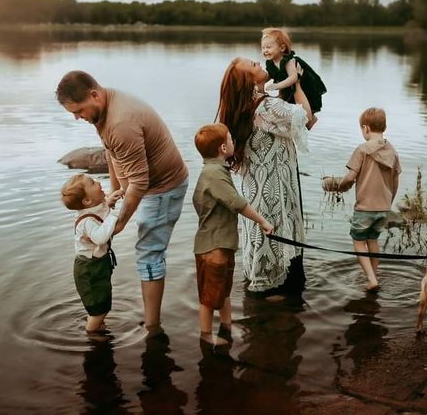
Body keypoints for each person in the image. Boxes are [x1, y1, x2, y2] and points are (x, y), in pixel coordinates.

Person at [56, 70, 189, 335]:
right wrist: (112, 197)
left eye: (78, 110)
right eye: (73, 113)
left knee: (149, 253)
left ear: (94, 95)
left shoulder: (120, 122)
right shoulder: (103, 109)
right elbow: (111, 152)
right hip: (148, 184)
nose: (76, 117)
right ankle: (151, 322)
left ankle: (152, 326)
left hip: (163, 187)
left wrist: (118, 222)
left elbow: (139, 183)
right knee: (146, 250)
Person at [216, 57, 312, 296]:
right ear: (248, 81)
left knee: (261, 241)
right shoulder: (266, 107)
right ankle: (274, 302)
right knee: (279, 241)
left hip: (255, 193)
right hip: (275, 193)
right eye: (254, 66)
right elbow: (306, 117)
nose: (260, 63)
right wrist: (298, 85)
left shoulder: (242, 109)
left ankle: (262, 295)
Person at [192, 122, 273, 347]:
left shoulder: (215, 171)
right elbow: (236, 203)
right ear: (222, 148)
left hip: (222, 244)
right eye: (229, 139)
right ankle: (206, 336)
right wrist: (263, 221)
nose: (232, 142)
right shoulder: (214, 174)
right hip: (212, 247)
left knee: (224, 291)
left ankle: (226, 326)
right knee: (209, 298)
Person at [322, 107, 401, 291]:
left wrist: (335, 186)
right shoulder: (393, 152)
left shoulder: (362, 150)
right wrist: (388, 203)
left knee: (358, 241)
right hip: (383, 207)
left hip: (365, 208)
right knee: (372, 240)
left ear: (365, 128)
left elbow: (349, 179)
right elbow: (395, 182)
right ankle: (373, 277)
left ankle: (371, 279)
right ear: (384, 127)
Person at [60, 173, 124, 334]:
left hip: (96, 266)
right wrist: (114, 216)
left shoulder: (92, 209)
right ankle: (93, 335)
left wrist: (108, 203)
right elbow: (101, 237)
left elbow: (99, 212)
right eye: (92, 183)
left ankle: (98, 327)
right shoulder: (86, 221)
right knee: (98, 310)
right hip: (89, 271)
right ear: (87, 201)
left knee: (102, 304)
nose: (97, 182)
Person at [261, 27, 326, 128]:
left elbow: (293, 77)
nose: (265, 50)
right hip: (288, 86)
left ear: (282, 48)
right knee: (289, 103)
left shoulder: (287, 61)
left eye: (268, 47)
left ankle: (312, 118)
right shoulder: (271, 63)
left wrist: (278, 85)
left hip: (305, 85)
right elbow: (271, 74)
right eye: (263, 48)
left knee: (305, 102)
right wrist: (260, 82)